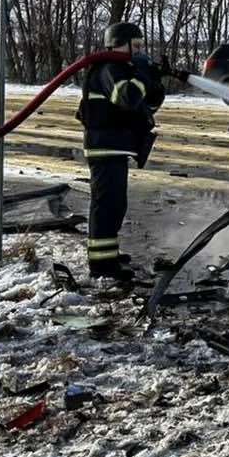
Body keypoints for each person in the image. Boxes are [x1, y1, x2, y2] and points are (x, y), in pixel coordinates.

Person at [75, 22, 168, 281]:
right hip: (104, 148)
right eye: (135, 46)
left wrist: (154, 81)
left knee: (116, 205)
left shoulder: (124, 69)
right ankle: (101, 265)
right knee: (106, 205)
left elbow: (144, 104)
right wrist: (142, 73)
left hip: (115, 148)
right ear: (119, 44)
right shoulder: (108, 68)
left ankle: (109, 254)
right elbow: (127, 97)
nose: (139, 52)